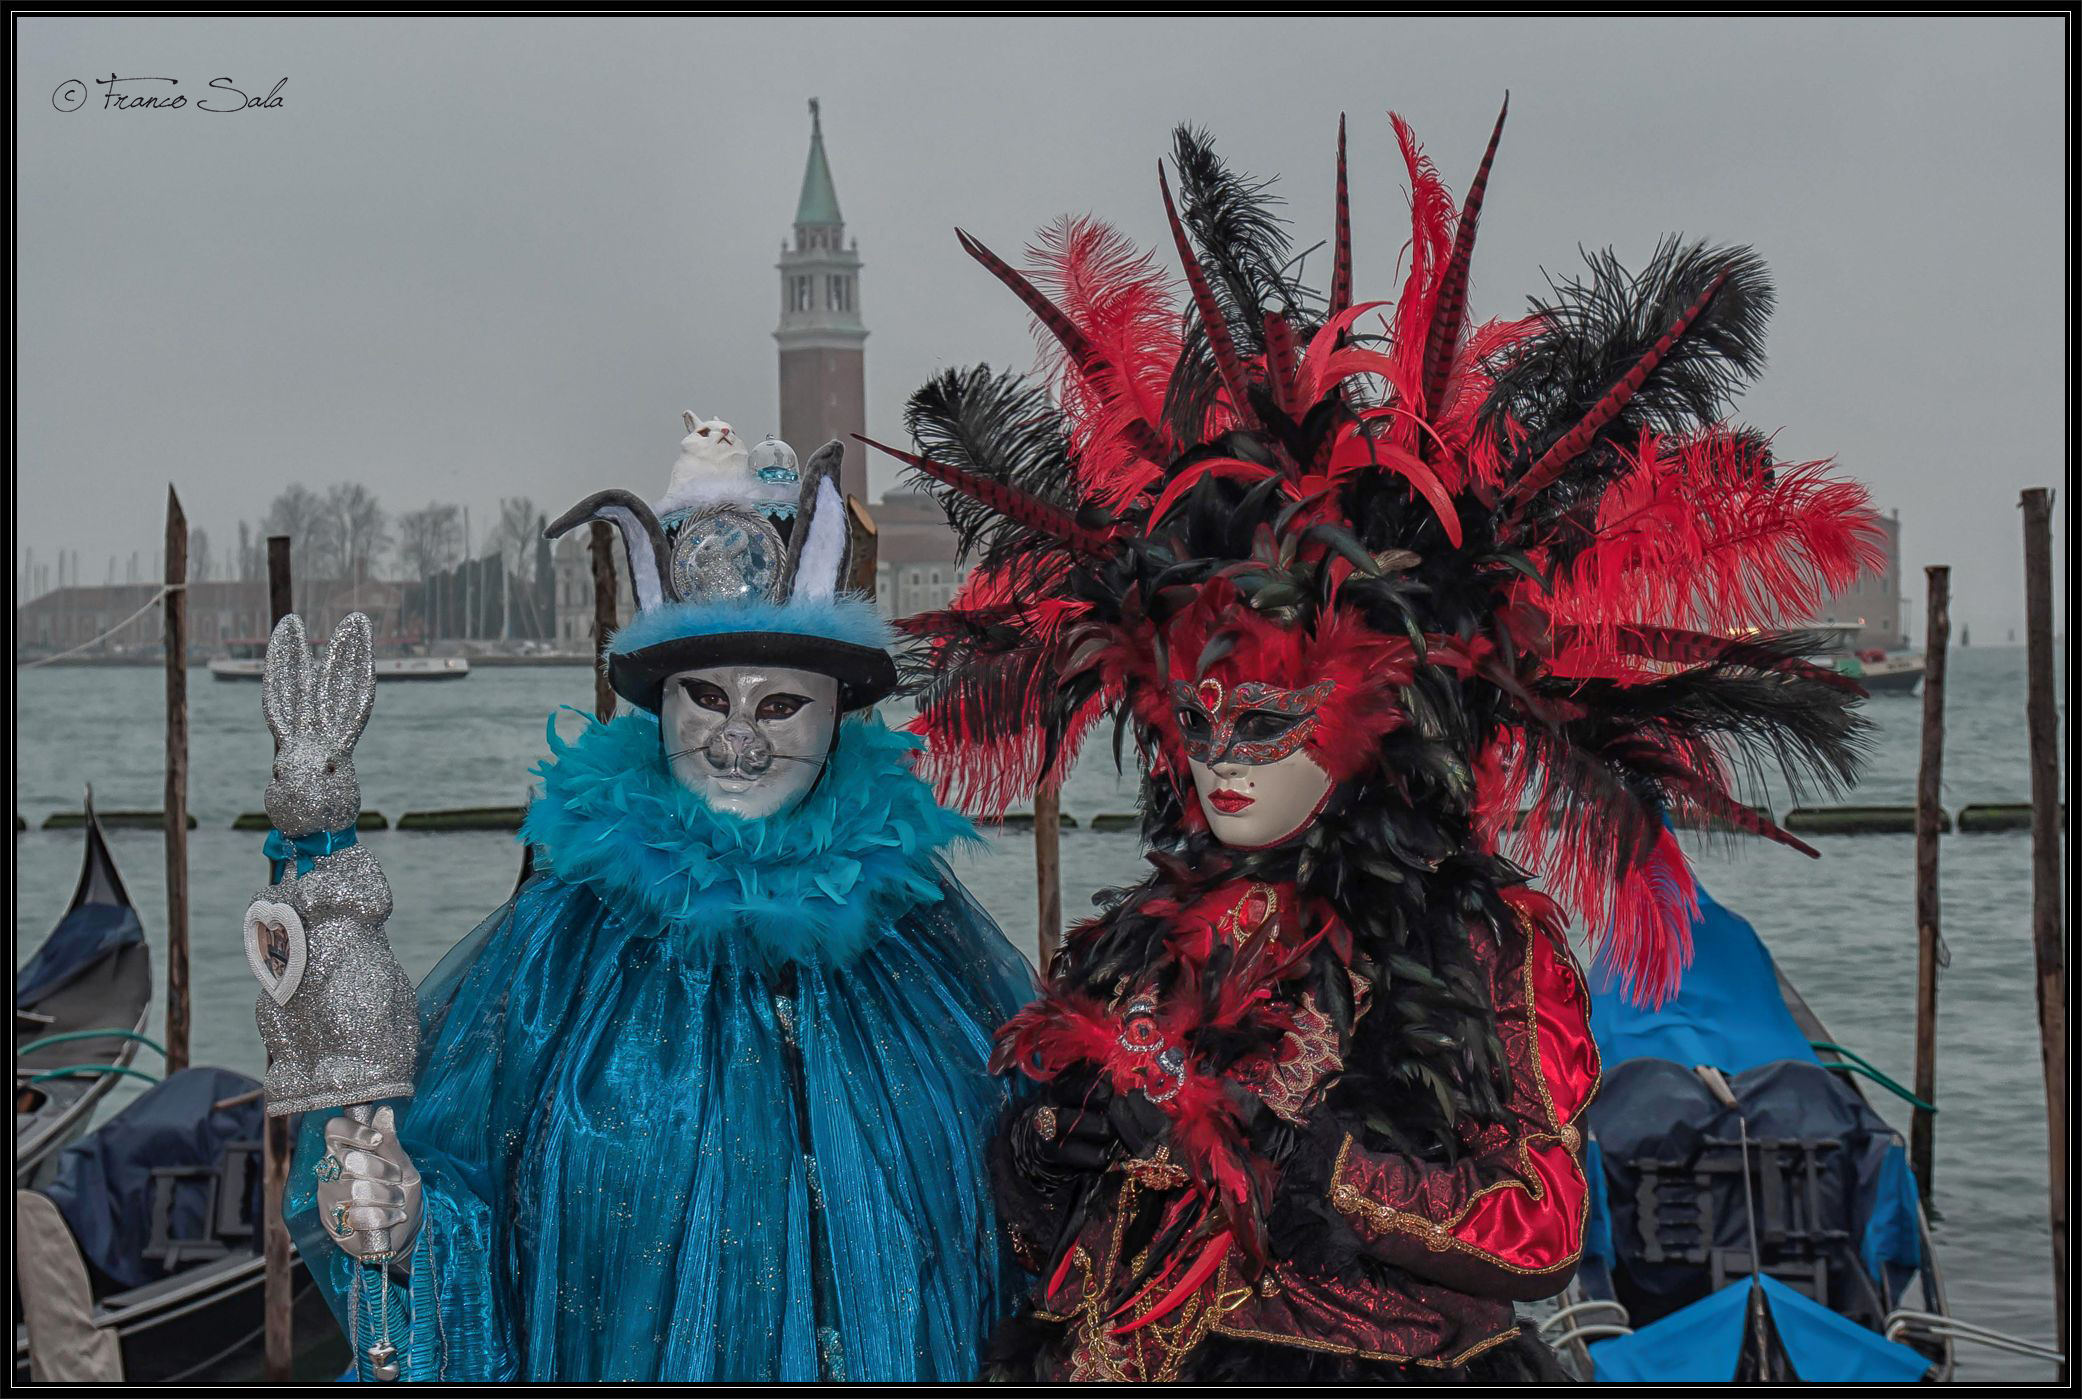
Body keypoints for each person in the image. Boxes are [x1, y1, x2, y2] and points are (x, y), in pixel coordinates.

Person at [865, 106, 1877, 1381]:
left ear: (1373, 714)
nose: (1224, 757)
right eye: (1197, 722)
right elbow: (1077, 1221)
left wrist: (1320, 1168)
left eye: (1269, 719)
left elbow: (1544, 1227)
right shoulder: (1141, 934)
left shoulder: (1473, 936)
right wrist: (1051, 1160)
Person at [286, 424, 1035, 1382]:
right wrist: (403, 1223)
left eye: (778, 706)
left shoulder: (922, 937)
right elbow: (467, 1187)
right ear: (661, 704)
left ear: (836, 714)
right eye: (706, 699)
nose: (739, 743)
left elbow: (1034, 1191)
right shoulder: (564, 946)